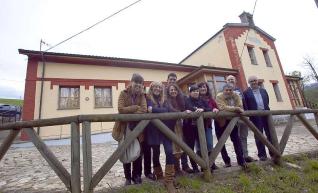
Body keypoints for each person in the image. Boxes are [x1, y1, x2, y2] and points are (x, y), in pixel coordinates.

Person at [116, 73, 147, 185]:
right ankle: (128, 178)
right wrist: (135, 108)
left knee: (138, 153)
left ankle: (137, 176)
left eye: (140, 84)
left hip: (139, 129)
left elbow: (144, 110)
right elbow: (120, 109)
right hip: (125, 129)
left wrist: (131, 110)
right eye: (136, 83)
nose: (138, 85)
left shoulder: (142, 95)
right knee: (126, 152)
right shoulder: (123, 93)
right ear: (131, 82)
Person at [145, 81, 176, 193]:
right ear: (152, 88)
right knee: (156, 153)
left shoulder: (165, 99)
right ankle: (159, 175)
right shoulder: (148, 98)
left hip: (165, 129)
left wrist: (154, 110)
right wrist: (154, 110)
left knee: (169, 151)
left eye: (159, 87)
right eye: (155, 87)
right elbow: (148, 109)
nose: (157, 89)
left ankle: (169, 180)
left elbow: (166, 110)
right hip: (153, 130)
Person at [215, 83, 247, 169]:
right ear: (223, 90)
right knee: (221, 143)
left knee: (237, 140)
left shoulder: (236, 95)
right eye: (227, 90)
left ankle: (241, 160)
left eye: (230, 90)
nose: (228, 91)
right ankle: (227, 162)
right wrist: (235, 109)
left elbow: (240, 105)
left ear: (232, 90)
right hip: (220, 122)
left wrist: (236, 108)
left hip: (232, 121)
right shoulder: (219, 96)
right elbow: (222, 107)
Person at [226, 75, 256, 163]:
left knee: (244, 137)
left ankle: (246, 156)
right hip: (233, 118)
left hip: (243, 117)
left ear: (235, 81)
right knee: (236, 139)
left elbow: (244, 102)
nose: (231, 80)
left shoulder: (239, 90)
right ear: (226, 81)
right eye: (229, 79)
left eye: (232, 79)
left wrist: (247, 114)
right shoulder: (224, 91)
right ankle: (240, 157)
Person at [183, 84, 212, 173]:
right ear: (190, 92)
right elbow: (189, 107)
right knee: (190, 148)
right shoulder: (187, 100)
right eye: (193, 91)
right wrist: (198, 109)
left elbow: (209, 108)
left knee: (203, 146)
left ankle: (205, 166)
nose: (196, 92)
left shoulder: (202, 100)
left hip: (200, 128)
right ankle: (195, 167)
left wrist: (202, 109)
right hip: (189, 128)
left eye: (197, 91)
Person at [243, 76, 272, 161]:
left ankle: (273, 153)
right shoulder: (246, 93)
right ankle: (262, 155)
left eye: (255, 80)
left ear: (257, 81)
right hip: (255, 117)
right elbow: (246, 105)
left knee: (270, 134)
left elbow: (267, 101)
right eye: (251, 81)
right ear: (249, 83)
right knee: (259, 135)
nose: (253, 82)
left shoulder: (263, 91)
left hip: (266, 114)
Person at [197, 82, 219, 171]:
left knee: (209, 144)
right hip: (196, 127)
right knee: (200, 146)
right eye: (201, 87)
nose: (203, 88)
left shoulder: (210, 99)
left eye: (204, 87)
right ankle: (203, 166)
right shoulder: (195, 98)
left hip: (208, 125)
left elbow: (216, 107)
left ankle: (211, 163)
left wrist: (215, 109)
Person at [166, 83, 186, 175]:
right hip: (171, 125)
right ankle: (174, 169)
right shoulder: (167, 100)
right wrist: (182, 113)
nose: (173, 91)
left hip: (179, 125)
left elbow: (184, 108)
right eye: (171, 90)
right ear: (168, 92)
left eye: (175, 90)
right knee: (173, 146)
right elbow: (170, 110)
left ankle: (178, 168)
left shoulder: (180, 99)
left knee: (179, 145)